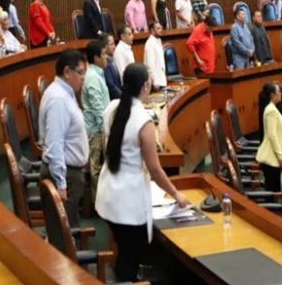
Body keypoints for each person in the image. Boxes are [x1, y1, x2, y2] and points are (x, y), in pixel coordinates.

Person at [95, 64, 190, 282]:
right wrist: (176, 194)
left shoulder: (112, 107)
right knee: (130, 256)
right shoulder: (143, 121)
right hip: (128, 200)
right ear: (145, 86)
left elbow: (106, 146)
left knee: (125, 251)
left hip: (108, 191)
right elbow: (155, 169)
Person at [39, 50, 89, 227]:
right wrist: (61, 184)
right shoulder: (58, 99)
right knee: (65, 233)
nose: (83, 78)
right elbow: (55, 144)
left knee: (69, 229)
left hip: (70, 173)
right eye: (80, 72)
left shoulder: (65, 92)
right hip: (65, 176)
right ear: (67, 71)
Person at [82, 38, 111, 199]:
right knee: (96, 167)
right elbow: (97, 107)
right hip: (95, 131)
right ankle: (97, 203)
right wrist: (106, 128)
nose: (107, 57)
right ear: (96, 58)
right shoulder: (92, 77)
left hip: (100, 127)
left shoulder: (97, 73)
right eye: (104, 54)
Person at [255, 82, 282, 193]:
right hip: (271, 159)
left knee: (274, 191)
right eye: (278, 91)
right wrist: (280, 156)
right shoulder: (271, 110)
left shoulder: (272, 108)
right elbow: (272, 136)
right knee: (274, 192)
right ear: (272, 95)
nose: (280, 93)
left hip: (273, 158)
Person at [143, 22, 167, 90]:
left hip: (161, 80)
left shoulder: (158, 41)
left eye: (161, 28)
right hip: (156, 83)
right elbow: (150, 65)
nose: (161, 30)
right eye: (158, 28)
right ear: (152, 30)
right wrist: (155, 81)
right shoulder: (150, 43)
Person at [101, 32, 123, 100]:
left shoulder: (111, 60)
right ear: (104, 46)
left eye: (114, 43)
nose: (114, 47)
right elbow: (111, 86)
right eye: (112, 44)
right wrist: (124, 97)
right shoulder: (105, 64)